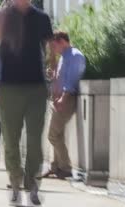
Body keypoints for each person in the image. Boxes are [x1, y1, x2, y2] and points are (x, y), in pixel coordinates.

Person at [0, 0, 55, 206]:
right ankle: (15, 182)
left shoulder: (41, 18)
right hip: (8, 87)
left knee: (35, 140)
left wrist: (54, 72)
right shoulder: (5, 15)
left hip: (36, 87)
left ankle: (32, 184)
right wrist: (2, 7)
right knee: (10, 139)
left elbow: (51, 47)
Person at [42, 31, 86, 179]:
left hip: (66, 100)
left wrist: (63, 99)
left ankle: (65, 167)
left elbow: (72, 81)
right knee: (57, 135)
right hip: (59, 99)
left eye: (54, 46)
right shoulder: (64, 57)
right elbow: (62, 78)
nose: (53, 50)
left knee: (52, 135)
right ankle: (56, 167)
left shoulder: (75, 56)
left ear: (62, 41)